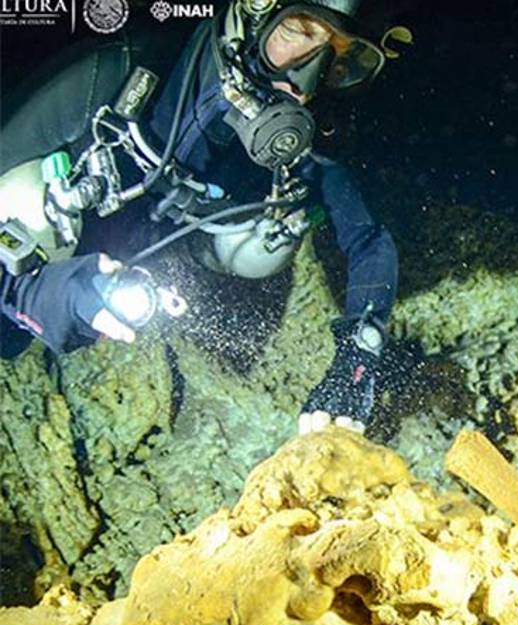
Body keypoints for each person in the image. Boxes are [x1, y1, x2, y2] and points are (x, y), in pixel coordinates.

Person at [0, 0, 403, 434]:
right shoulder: (115, 71)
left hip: (180, 240)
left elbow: (368, 240)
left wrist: (358, 358)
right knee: (10, 329)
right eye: (301, 32)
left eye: (339, 57)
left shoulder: (305, 144)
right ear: (253, 13)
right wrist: (26, 292)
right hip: (75, 221)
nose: (306, 80)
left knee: (266, 250)